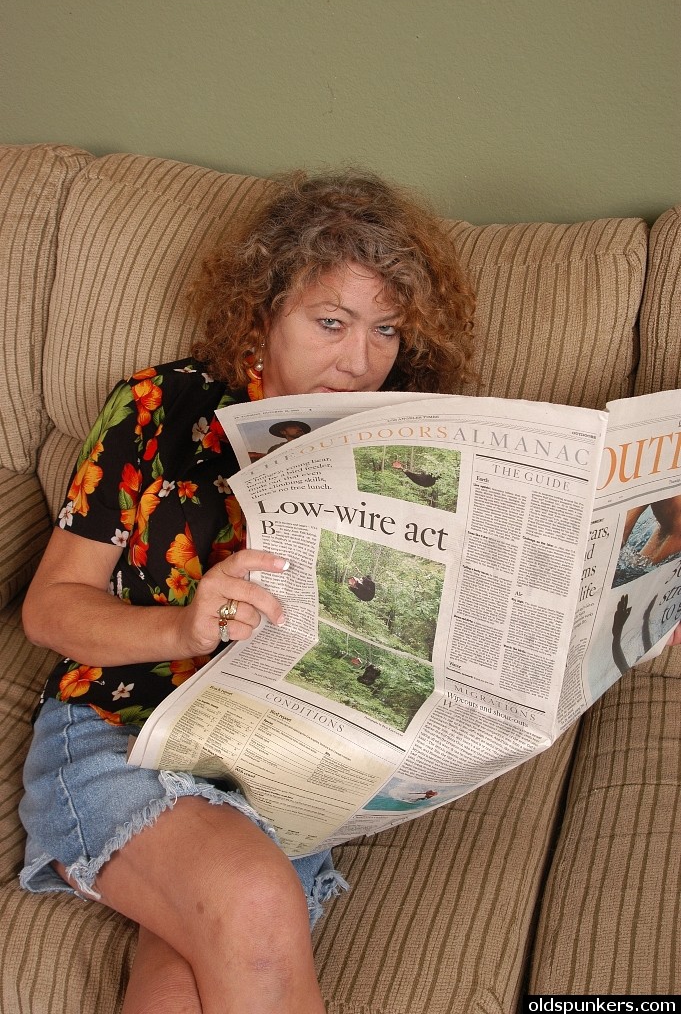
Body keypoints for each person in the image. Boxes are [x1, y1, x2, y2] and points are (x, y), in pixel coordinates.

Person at [18, 170, 477, 1014]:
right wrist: (182, 626)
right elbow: (50, 609)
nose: (358, 360)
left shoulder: (416, 443)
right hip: (122, 730)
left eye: (385, 330)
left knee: (179, 981)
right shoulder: (161, 407)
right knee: (253, 903)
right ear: (261, 312)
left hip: (280, 763)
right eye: (330, 322)